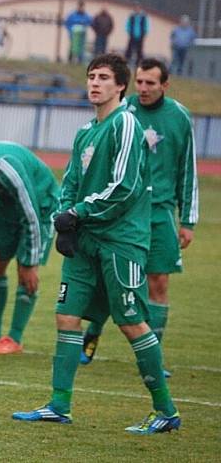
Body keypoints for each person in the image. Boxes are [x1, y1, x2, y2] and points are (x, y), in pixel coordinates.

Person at [12, 53, 180, 434]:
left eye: (104, 77)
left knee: (132, 322)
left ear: (121, 86)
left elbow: (124, 186)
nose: (95, 83)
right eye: (91, 76)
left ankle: (166, 410)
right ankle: (59, 405)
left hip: (121, 242)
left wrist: (79, 213)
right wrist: (64, 217)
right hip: (85, 240)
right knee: (66, 315)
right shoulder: (86, 130)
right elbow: (70, 181)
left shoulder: (126, 125)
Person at [81, 58, 199, 376]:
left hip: (160, 212)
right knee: (109, 281)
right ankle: (92, 333)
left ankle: (153, 358)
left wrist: (187, 220)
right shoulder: (121, 111)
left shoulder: (179, 118)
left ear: (165, 85)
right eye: (140, 82)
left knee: (158, 282)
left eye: (151, 83)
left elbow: (187, 170)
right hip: (125, 213)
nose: (143, 89)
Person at [0, 141, 59, 355]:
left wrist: (30, 263)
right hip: (8, 208)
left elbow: (30, 213)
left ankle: (14, 338)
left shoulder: (6, 166)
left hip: (40, 206)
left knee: (25, 274)